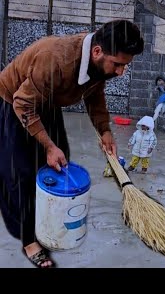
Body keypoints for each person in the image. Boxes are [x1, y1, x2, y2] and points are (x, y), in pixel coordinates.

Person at [0, 19, 144, 268]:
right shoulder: (56, 59)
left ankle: (46, 223)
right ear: (98, 52)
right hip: (15, 102)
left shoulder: (99, 63)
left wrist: (105, 130)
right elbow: (22, 103)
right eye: (118, 65)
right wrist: (47, 145)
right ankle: (28, 240)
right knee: (19, 174)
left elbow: (95, 95)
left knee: (58, 163)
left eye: (125, 66)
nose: (121, 72)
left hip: (48, 101)